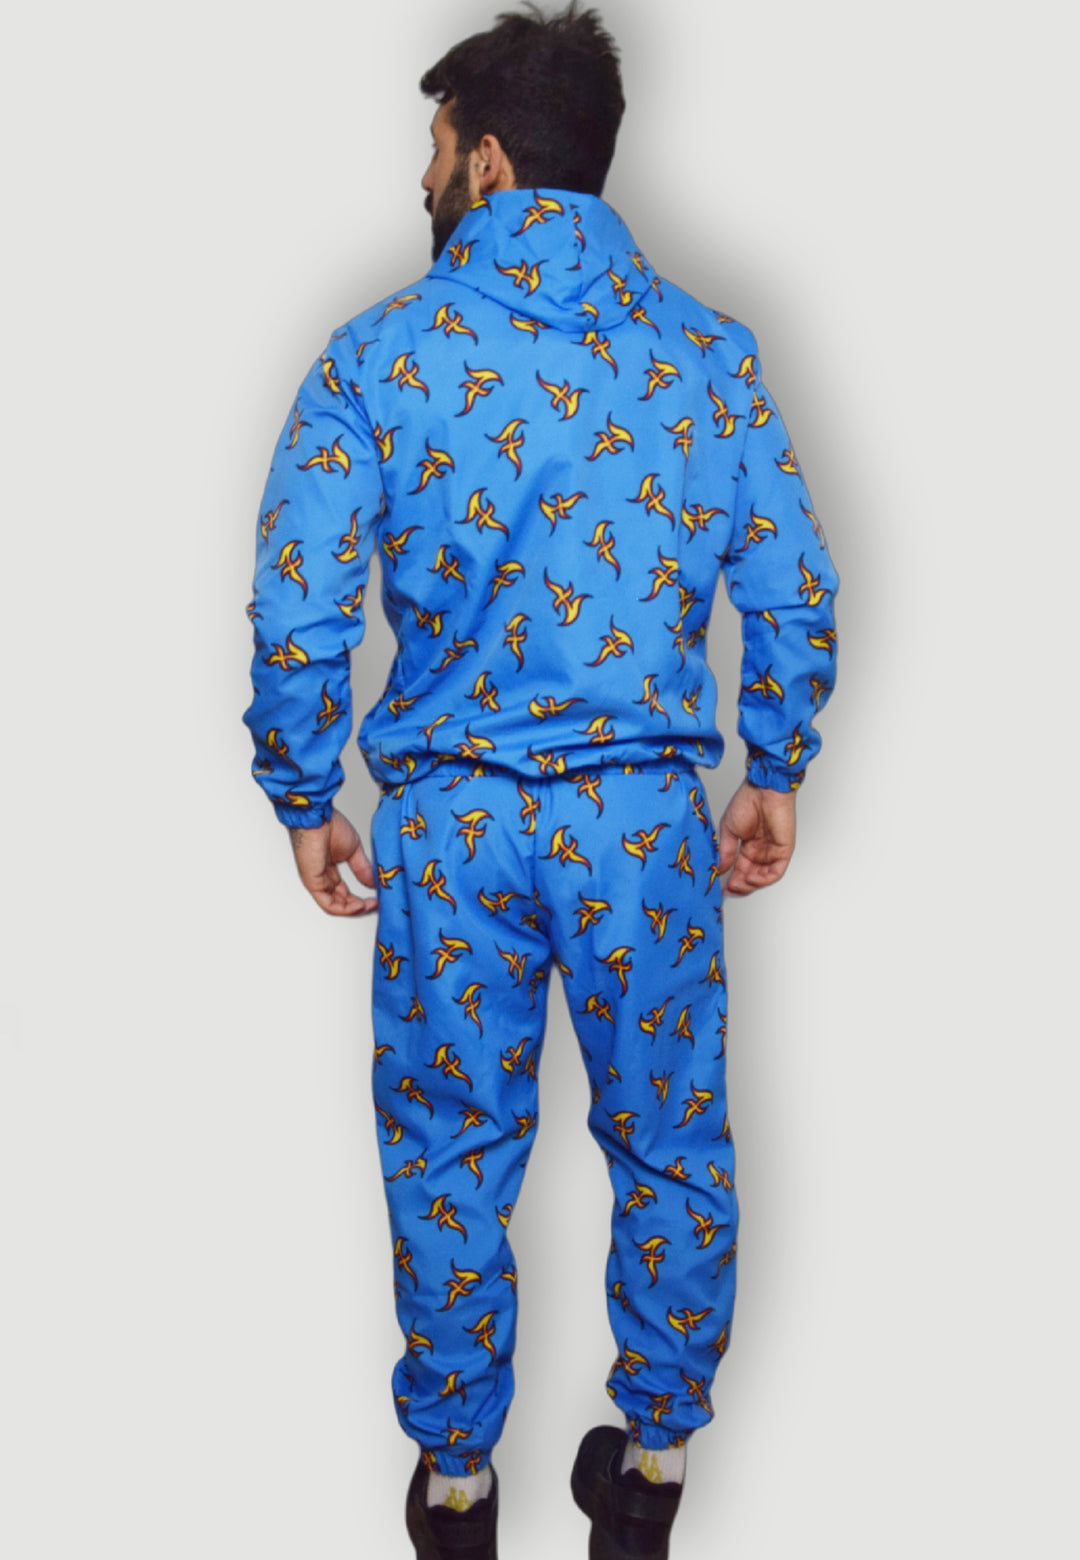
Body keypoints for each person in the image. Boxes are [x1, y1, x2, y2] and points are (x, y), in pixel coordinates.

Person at [242, 4, 839, 1555]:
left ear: (492, 161)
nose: (422, 179)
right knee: (670, 1141)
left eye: (436, 149)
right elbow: (791, 585)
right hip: (644, 832)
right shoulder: (707, 353)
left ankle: (457, 1487)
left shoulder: (376, 357)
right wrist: (773, 763)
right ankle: (651, 1473)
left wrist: (305, 795)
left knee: (449, 1154)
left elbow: (300, 605)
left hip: (450, 833)